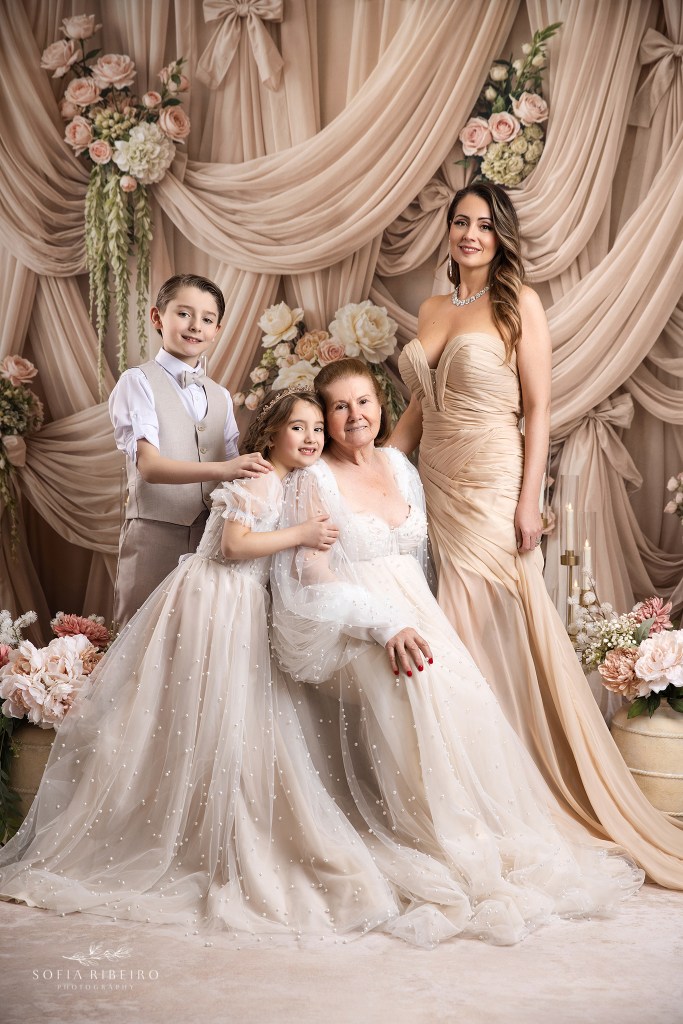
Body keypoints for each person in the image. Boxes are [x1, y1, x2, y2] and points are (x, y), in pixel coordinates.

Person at [270, 357, 649, 949]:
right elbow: (308, 577)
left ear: (380, 406)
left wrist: (424, 619)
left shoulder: (400, 464)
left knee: (464, 692)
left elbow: (416, 560)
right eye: (338, 407)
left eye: (363, 402)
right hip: (355, 623)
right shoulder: (312, 478)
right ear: (323, 416)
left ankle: (480, 833)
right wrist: (380, 623)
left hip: (416, 614)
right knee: (415, 686)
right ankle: (440, 842)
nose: (353, 417)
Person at [0, 389, 398, 939]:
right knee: (203, 710)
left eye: (315, 429)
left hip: (237, 604)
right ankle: (180, 832)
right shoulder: (258, 477)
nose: (310, 438)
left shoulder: (292, 484)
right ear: (271, 436)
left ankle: (219, 824)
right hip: (215, 600)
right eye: (297, 428)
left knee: (231, 715)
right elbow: (233, 546)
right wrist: (302, 534)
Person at [390, 181, 683, 886]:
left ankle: (485, 793)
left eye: (483, 226)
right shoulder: (433, 306)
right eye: (460, 223)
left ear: (500, 239)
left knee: (467, 631)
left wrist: (530, 501)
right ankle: (463, 788)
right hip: (431, 482)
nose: (468, 235)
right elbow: (413, 415)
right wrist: (367, 475)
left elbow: (538, 408)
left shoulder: (517, 305)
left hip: (490, 483)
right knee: (449, 630)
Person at [109, 273, 271, 627]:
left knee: (197, 644)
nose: (195, 326)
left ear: (217, 330)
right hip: (153, 535)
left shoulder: (220, 395)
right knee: (138, 642)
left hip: (209, 539)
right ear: (157, 318)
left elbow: (234, 468)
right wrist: (225, 470)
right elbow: (150, 467)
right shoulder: (137, 382)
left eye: (207, 319)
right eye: (184, 314)